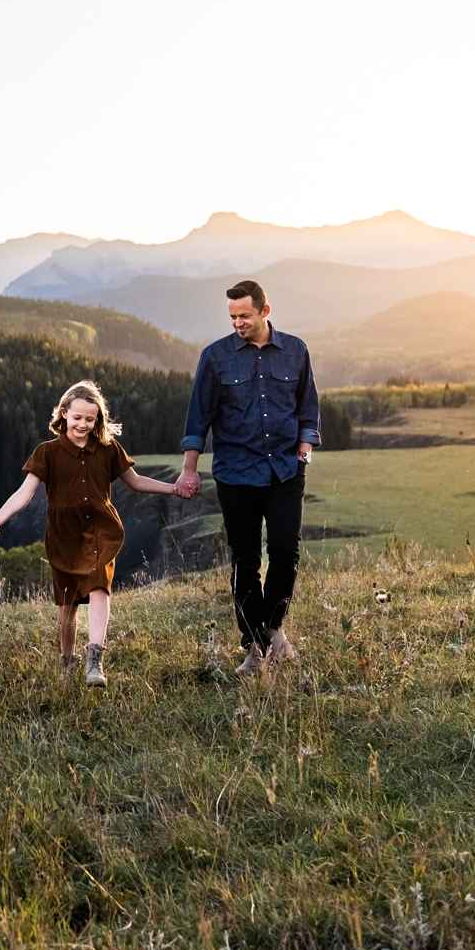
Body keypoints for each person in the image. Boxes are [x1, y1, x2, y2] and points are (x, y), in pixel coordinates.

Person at [0, 380, 182, 687]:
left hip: (101, 528)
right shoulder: (47, 453)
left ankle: (94, 661)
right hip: (63, 535)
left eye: (90, 419)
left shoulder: (108, 449)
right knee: (67, 606)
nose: (83, 424)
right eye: (77, 418)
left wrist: (175, 489)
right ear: (63, 414)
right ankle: (67, 661)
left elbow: (136, 481)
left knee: (100, 586)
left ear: (98, 419)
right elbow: (23, 495)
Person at [173, 279, 320, 677]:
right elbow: (197, 418)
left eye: (245, 316)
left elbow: (308, 408)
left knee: (286, 553)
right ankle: (256, 645)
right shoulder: (216, 357)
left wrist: (304, 450)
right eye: (232, 317)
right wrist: (189, 468)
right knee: (245, 560)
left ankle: (272, 630)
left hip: (285, 471)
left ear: (264, 312)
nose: (237, 322)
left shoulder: (295, 350)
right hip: (236, 473)